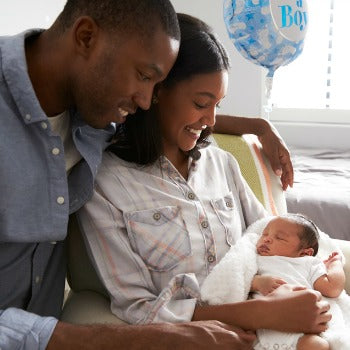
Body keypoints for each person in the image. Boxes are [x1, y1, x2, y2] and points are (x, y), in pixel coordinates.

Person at [0, 0, 295, 349]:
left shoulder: (95, 107)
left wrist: (258, 127)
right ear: (85, 37)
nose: (145, 100)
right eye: (144, 76)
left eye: (155, 84)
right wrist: (158, 337)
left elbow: (170, 114)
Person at [77, 12, 330, 346]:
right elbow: (140, 309)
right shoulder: (106, 183)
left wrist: (321, 276)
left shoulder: (221, 163)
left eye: (218, 105)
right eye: (201, 103)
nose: (210, 120)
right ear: (156, 91)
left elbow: (268, 237)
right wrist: (263, 314)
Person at [251, 214, 345, 350]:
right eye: (264, 234)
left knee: (318, 345)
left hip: (303, 322)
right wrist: (257, 283)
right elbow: (238, 281)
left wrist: (335, 264)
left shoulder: (307, 263)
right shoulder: (253, 258)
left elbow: (332, 288)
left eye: (279, 238)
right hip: (266, 321)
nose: (267, 239)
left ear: (304, 253)